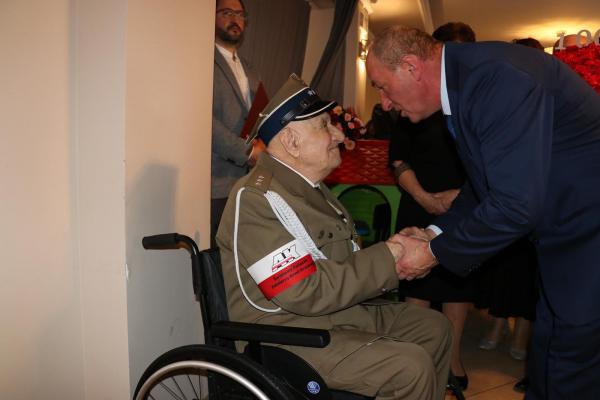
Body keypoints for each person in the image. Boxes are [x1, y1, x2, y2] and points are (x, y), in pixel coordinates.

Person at [366, 26, 600, 400]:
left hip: (587, 235)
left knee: (574, 359)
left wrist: (431, 253)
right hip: (566, 234)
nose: (385, 103)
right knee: (549, 348)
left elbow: (515, 205)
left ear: (411, 66)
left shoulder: (497, 80)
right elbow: (483, 187)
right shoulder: (469, 81)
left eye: (382, 86)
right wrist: (432, 234)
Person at [216, 74, 452, 400]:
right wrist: (391, 255)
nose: (339, 134)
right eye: (325, 125)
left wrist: (396, 248)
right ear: (292, 142)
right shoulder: (258, 199)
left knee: (435, 328)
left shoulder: (311, 190)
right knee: (409, 367)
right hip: (287, 333)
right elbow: (301, 290)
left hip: (335, 314)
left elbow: (341, 259)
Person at [388, 21, 476, 391]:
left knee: (459, 286)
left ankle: (452, 358)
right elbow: (398, 160)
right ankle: (416, 360)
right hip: (417, 202)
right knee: (416, 283)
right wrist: (425, 197)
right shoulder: (411, 101)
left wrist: (459, 196)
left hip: (465, 202)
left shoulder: (472, 101)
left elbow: (487, 165)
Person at [477, 37, 545, 395]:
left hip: (539, 211)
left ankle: (524, 334)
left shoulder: (546, 101)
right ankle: (499, 323)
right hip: (505, 204)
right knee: (505, 271)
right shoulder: (504, 103)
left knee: (533, 279)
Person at [212, 0, 264, 246]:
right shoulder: (202, 60)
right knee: (216, 255)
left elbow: (257, 116)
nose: (235, 20)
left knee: (241, 254)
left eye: (240, 14)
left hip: (247, 183)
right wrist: (248, 152)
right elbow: (205, 123)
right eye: (227, 13)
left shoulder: (251, 70)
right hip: (215, 181)